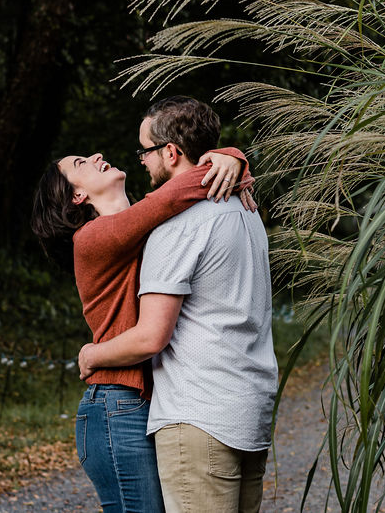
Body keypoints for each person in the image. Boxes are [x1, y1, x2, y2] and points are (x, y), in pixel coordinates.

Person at [30, 135, 254, 513]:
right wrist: (231, 159)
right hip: (117, 408)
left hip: (152, 405)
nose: (97, 155)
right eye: (81, 162)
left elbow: (172, 199)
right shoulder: (94, 238)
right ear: (77, 197)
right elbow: (170, 196)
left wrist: (233, 159)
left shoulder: (146, 230)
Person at [78, 96, 278, 513]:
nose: (141, 162)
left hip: (199, 414)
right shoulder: (246, 208)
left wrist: (91, 353)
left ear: (170, 152)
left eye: (145, 151)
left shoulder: (176, 227)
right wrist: (233, 159)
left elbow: (152, 335)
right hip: (249, 407)